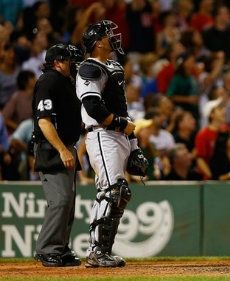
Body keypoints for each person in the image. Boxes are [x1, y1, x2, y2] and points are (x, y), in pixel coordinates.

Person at [76, 20, 137, 268]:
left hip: (118, 135)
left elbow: (122, 108)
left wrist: (134, 144)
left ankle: (104, 251)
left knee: (120, 193)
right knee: (111, 192)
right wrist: (121, 125)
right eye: (107, 34)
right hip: (102, 133)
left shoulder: (112, 66)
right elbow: (92, 106)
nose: (113, 37)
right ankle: (96, 252)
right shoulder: (90, 68)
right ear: (98, 43)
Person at [32, 43, 82, 267]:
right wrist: (62, 149)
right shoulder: (49, 80)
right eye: (70, 59)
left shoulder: (65, 82)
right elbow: (44, 120)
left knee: (68, 202)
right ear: (58, 61)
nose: (74, 64)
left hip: (65, 145)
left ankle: (61, 248)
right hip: (51, 147)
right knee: (60, 201)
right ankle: (48, 249)